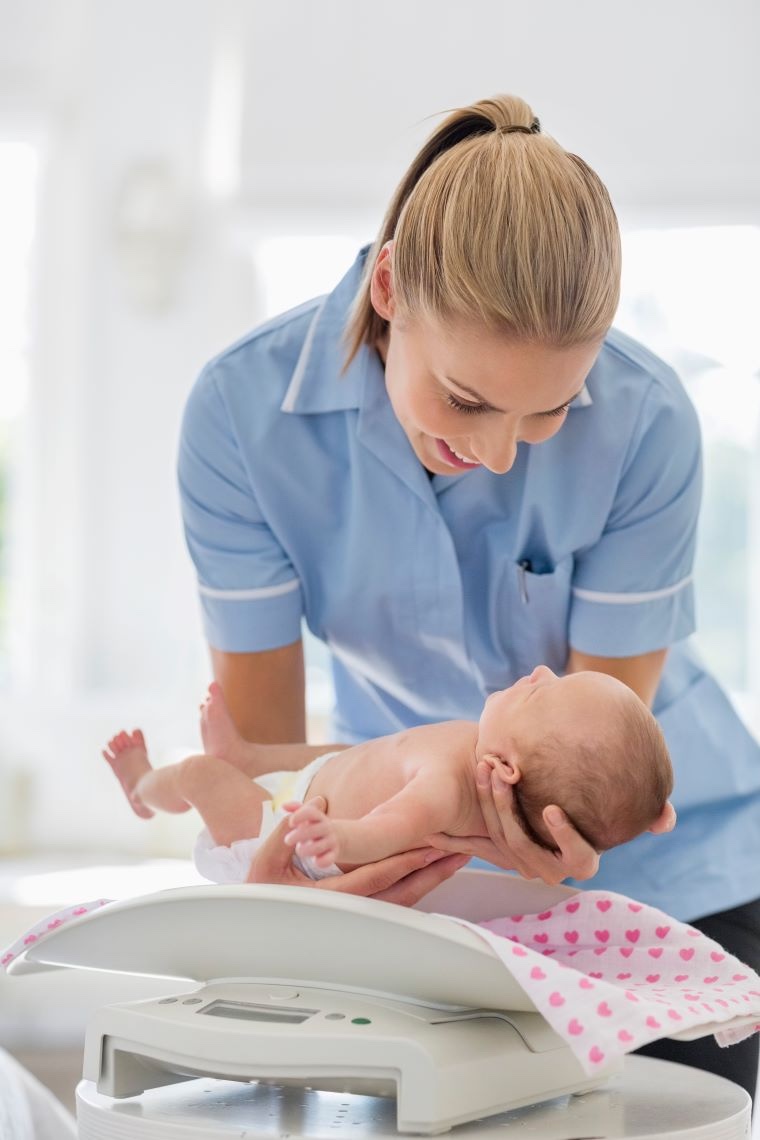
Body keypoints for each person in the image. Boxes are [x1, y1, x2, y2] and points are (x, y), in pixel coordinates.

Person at [176, 93, 760, 1098]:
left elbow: (582, 742)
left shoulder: (648, 420)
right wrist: (292, 868)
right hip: (414, 874)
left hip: (671, 877)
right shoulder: (240, 417)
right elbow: (266, 758)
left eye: (547, 414)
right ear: (393, 286)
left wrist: (503, 831)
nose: (495, 454)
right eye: (466, 400)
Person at [103, 668, 674, 882]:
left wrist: (337, 838)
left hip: (280, 836)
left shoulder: (446, 787)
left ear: (504, 767)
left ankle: (144, 788)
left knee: (199, 775)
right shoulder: (477, 750)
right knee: (353, 754)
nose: (541, 670)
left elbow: (392, 826)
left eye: (541, 692)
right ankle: (248, 758)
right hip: (310, 788)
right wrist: (648, 806)